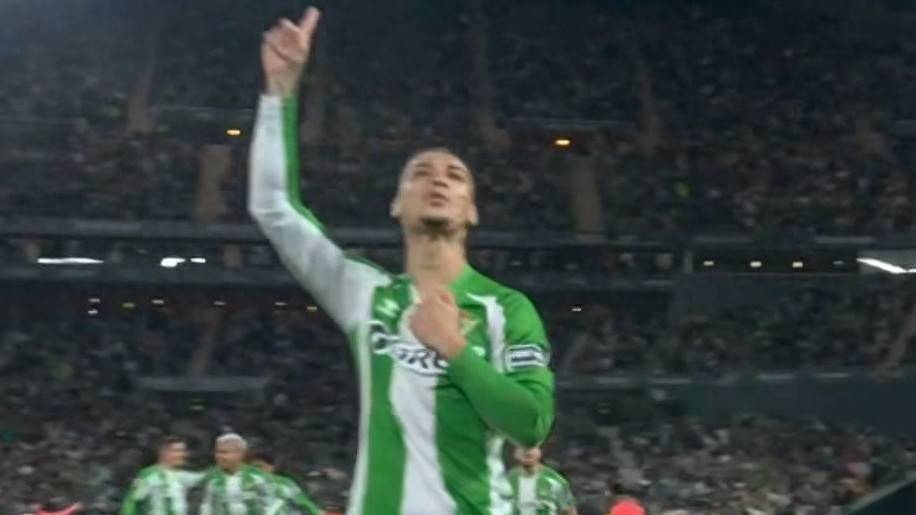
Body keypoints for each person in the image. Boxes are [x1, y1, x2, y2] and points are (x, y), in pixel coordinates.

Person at [250, 7, 555, 514]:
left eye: (455, 176)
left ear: (472, 210)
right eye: (421, 173)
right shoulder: (364, 293)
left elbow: (531, 424)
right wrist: (280, 92)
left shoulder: (506, 308)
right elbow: (273, 207)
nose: (438, 180)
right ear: (396, 204)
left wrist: (454, 347)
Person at [120, 436, 205, 515]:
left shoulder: (182, 476)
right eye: (178, 451)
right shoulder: (149, 476)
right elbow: (132, 502)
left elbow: (206, 477)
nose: (183, 455)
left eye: (183, 451)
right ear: (165, 453)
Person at [199, 434, 276, 515]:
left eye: (224, 452)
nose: (218, 456)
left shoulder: (258, 477)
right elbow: (207, 507)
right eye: (217, 452)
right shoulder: (211, 478)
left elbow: (271, 508)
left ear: (239, 454)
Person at [250, 450, 323, 515]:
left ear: (272, 467)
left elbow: (305, 504)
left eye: (260, 466)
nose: (256, 470)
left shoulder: (285, 483)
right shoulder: (249, 485)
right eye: (253, 467)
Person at [507, 447, 577, 515]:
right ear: (515, 453)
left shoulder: (555, 481)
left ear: (539, 452)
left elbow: (569, 511)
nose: (528, 452)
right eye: (523, 447)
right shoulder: (505, 481)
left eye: (532, 447)